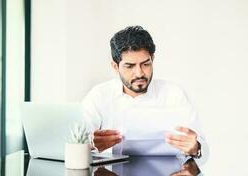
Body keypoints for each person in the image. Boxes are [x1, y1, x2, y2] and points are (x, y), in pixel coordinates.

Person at [82, 25, 207, 160]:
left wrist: (196, 148)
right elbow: (76, 142)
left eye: (145, 64)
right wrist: (90, 145)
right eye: (129, 66)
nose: (139, 73)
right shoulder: (99, 95)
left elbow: (203, 149)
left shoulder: (174, 94)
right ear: (115, 67)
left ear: (152, 59)